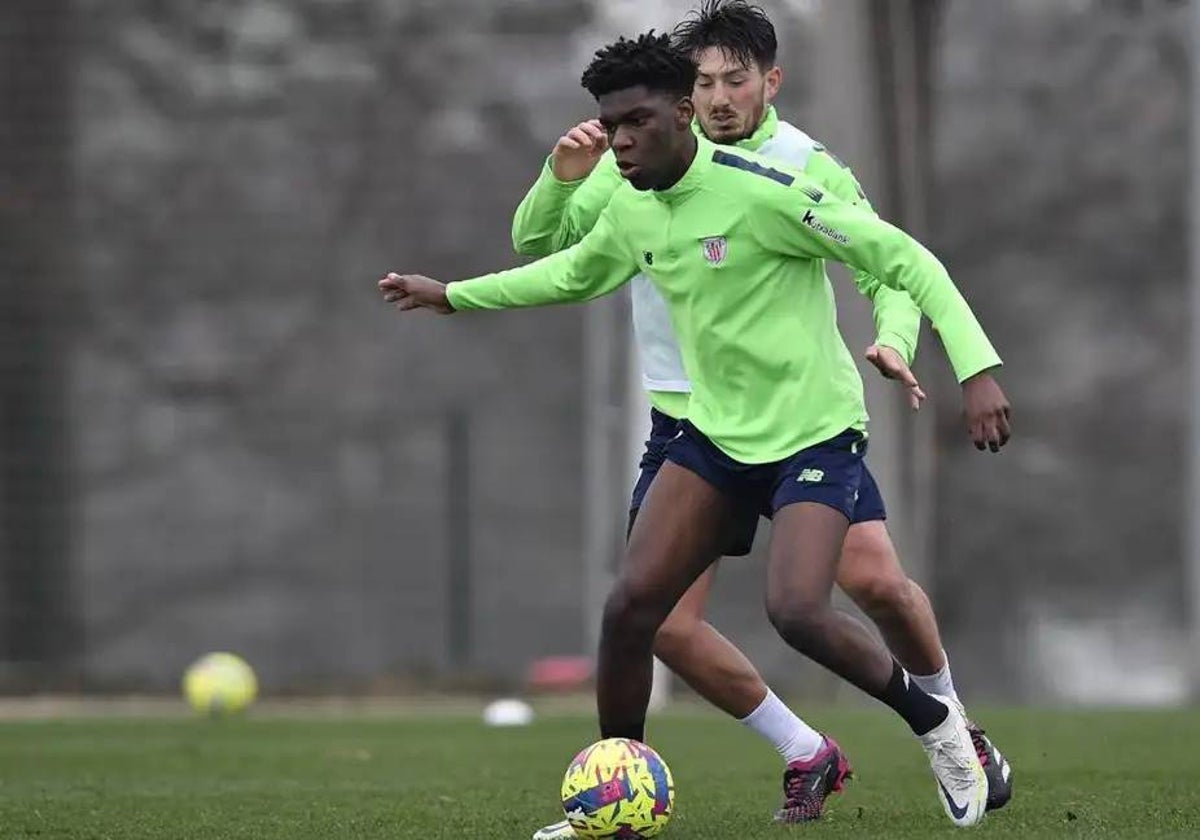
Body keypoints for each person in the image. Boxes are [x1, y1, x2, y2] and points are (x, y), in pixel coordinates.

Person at [379, 31, 1011, 828]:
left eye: (637, 123)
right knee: (631, 612)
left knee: (800, 613)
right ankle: (605, 808)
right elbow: (566, 270)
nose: (621, 142)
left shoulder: (771, 190)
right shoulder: (633, 204)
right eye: (612, 127)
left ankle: (940, 725)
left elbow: (903, 261)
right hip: (710, 436)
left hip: (812, 435)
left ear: (683, 113)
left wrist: (975, 369)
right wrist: (454, 295)